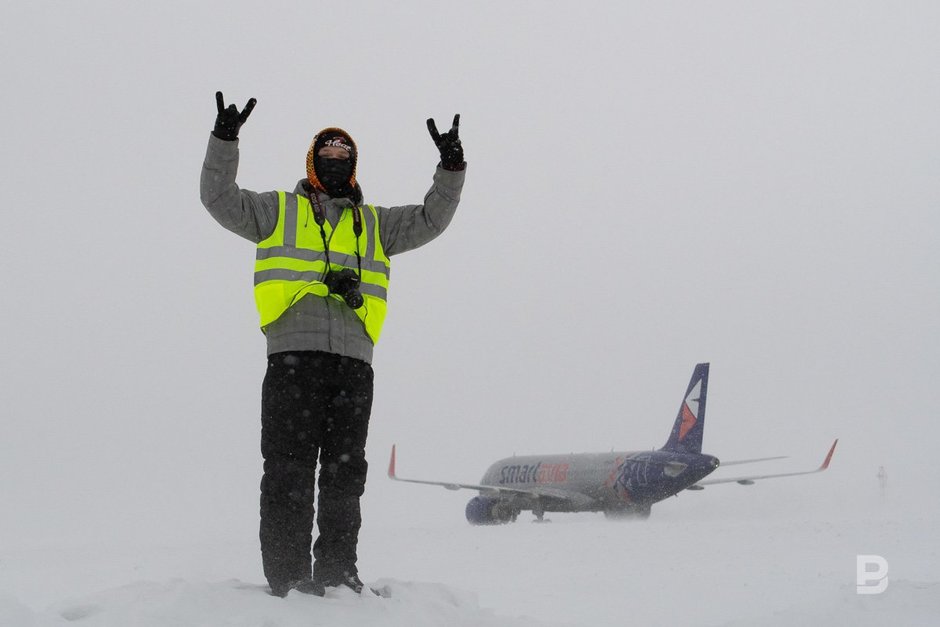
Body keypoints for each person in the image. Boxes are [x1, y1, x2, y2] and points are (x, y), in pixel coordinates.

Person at [200, 92, 466, 597]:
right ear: (313, 163)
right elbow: (218, 198)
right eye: (328, 157)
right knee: (288, 470)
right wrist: (224, 141)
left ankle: (339, 572)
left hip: (353, 365)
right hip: (293, 358)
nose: (336, 165)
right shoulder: (276, 210)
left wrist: (450, 168)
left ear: (355, 165)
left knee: (346, 478)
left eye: (345, 159)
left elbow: (432, 218)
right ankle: (288, 576)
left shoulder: (377, 224)